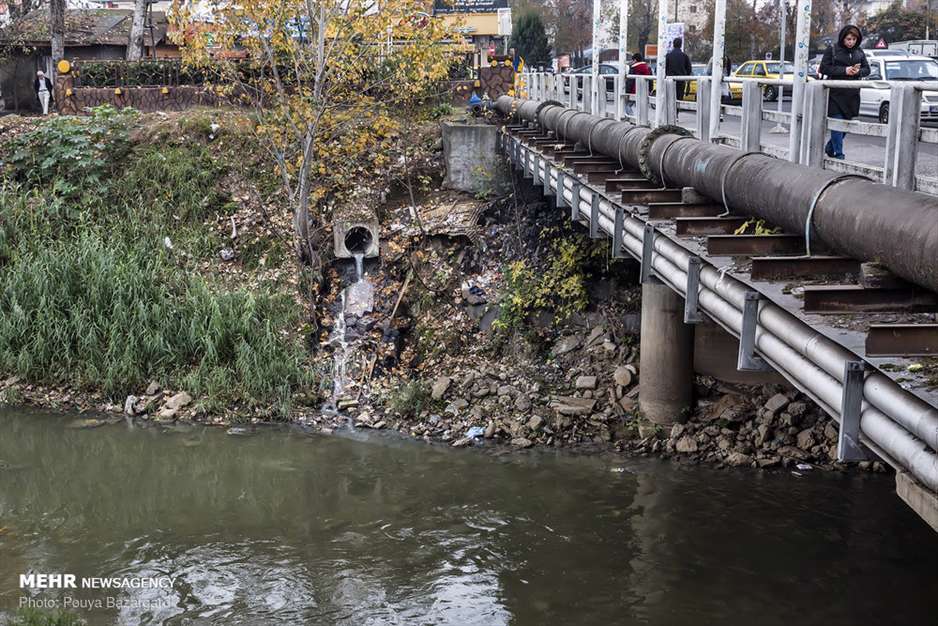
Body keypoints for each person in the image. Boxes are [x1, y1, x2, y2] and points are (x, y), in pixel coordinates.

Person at [819, 24, 869, 160]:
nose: (851, 42)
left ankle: (830, 147)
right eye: (848, 39)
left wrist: (858, 71)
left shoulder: (859, 52)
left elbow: (867, 69)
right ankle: (839, 154)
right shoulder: (833, 49)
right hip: (835, 94)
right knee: (837, 123)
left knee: (846, 125)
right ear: (843, 38)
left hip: (852, 95)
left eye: (853, 39)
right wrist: (845, 70)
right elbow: (824, 68)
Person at [665, 37, 693, 115]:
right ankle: (676, 115)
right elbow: (689, 69)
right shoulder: (684, 56)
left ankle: (670, 114)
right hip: (681, 80)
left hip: (670, 80)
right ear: (681, 45)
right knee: (678, 98)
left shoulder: (668, 56)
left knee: (670, 98)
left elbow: (664, 68)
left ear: (673, 45)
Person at [626, 52, 652, 116]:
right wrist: (650, 90)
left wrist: (627, 91)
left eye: (632, 60)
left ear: (635, 60)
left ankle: (633, 119)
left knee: (627, 106)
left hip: (634, 91)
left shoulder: (633, 68)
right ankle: (642, 121)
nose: (631, 62)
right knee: (641, 107)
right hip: (645, 90)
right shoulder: (647, 68)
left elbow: (630, 81)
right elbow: (650, 80)